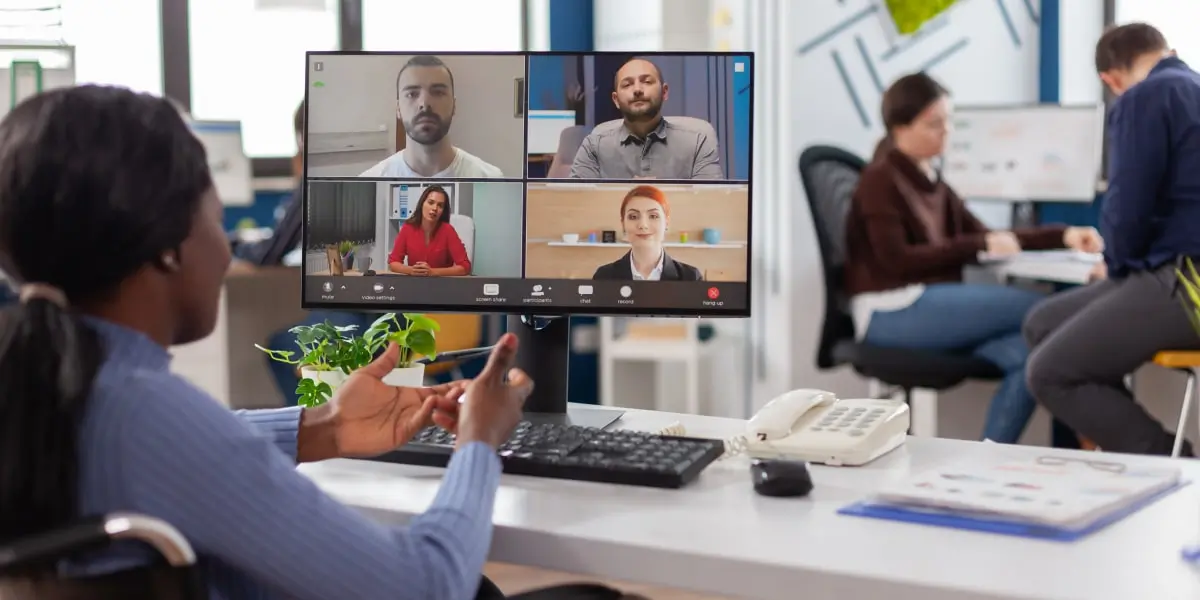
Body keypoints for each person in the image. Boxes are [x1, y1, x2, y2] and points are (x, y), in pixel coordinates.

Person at [0, 84, 537, 599]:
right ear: (168, 248)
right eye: (213, 219)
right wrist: (480, 443)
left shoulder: (49, 393)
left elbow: (180, 446)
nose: (220, 245)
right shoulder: (146, 414)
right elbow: (427, 586)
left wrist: (325, 425)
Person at [842, 72, 1103, 444]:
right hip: (893, 309)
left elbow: (986, 236)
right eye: (934, 124)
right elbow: (896, 261)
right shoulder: (880, 180)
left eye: (948, 121)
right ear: (900, 127)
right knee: (1048, 310)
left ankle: (988, 459)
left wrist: (1063, 235)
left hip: (929, 305)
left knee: (1031, 355)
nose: (946, 132)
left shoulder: (932, 181)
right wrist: (970, 247)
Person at [1023, 23, 1200, 456]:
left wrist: (1116, 264)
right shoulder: (1191, 87)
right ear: (1166, 51)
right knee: (1042, 324)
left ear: (1110, 80)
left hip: (1189, 281)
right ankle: (1123, 453)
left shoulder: (1143, 98)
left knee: (1048, 373)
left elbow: (1128, 208)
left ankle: (1175, 466)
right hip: (1178, 270)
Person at [570, 57, 723, 180]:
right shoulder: (594, 144)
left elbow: (710, 203)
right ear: (616, 100)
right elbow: (576, 203)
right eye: (627, 84)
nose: (637, 90)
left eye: (647, 82)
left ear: (664, 92)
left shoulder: (697, 140)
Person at [360, 55, 503, 178]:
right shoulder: (370, 180)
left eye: (438, 92)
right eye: (412, 94)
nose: (424, 103)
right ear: (398, 108)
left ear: (454, 105)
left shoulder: (491, 178)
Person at [592, 185, 702, 281]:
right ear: (623, 223)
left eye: (653, 216)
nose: (643, 225)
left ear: (666, 222)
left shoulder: (691, 277)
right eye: (633, 217)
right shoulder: (604, 276)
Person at [388, 185, 471, 276]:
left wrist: (432, 272)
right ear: (422, 204)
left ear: (443, 211)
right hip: (415, 284)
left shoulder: (448, 230)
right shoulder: (408, 228)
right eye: (430, 202)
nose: (435, 208)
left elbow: (465, 267)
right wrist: (411, 270)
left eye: (440, 205)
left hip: (441, 285)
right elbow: (393, 262)